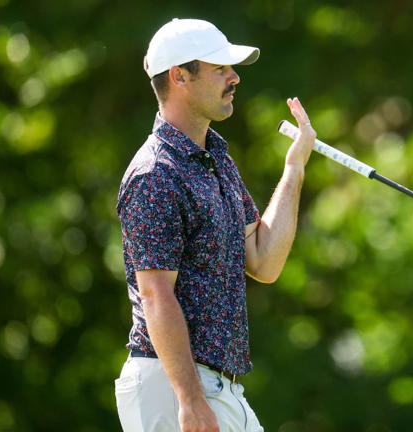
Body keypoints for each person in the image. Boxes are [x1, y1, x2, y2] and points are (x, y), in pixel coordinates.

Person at [113, 18, 315, 432]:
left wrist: (294, 169)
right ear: (179, 76)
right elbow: (155, 296)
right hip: (171, 385)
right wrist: (190, 400)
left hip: (217, 388)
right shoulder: (156, 173)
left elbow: (263, 261)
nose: (235, 77)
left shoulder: (215, 159)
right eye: (220, 68)